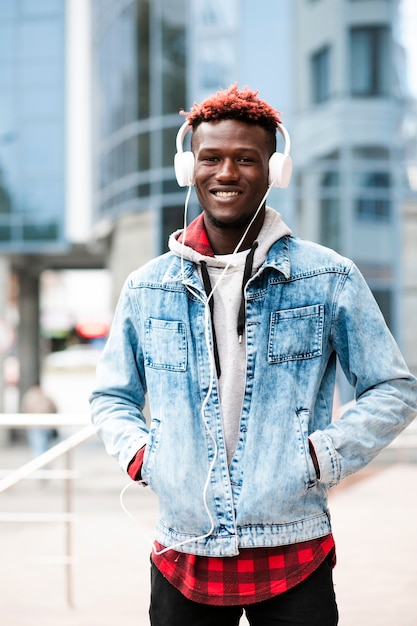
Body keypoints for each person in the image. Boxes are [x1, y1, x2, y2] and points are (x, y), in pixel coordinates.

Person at [90, 84, 417, 626]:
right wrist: (145, 457)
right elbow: (111, 395)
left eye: (246, 158)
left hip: (295, 549)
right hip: (183, 552)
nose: (226, 172)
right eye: (210, 157)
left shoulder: (328, 277)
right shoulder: (147, 287)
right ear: (188, 168)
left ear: (274, 170)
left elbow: (394, 387)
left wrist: (321, 456)